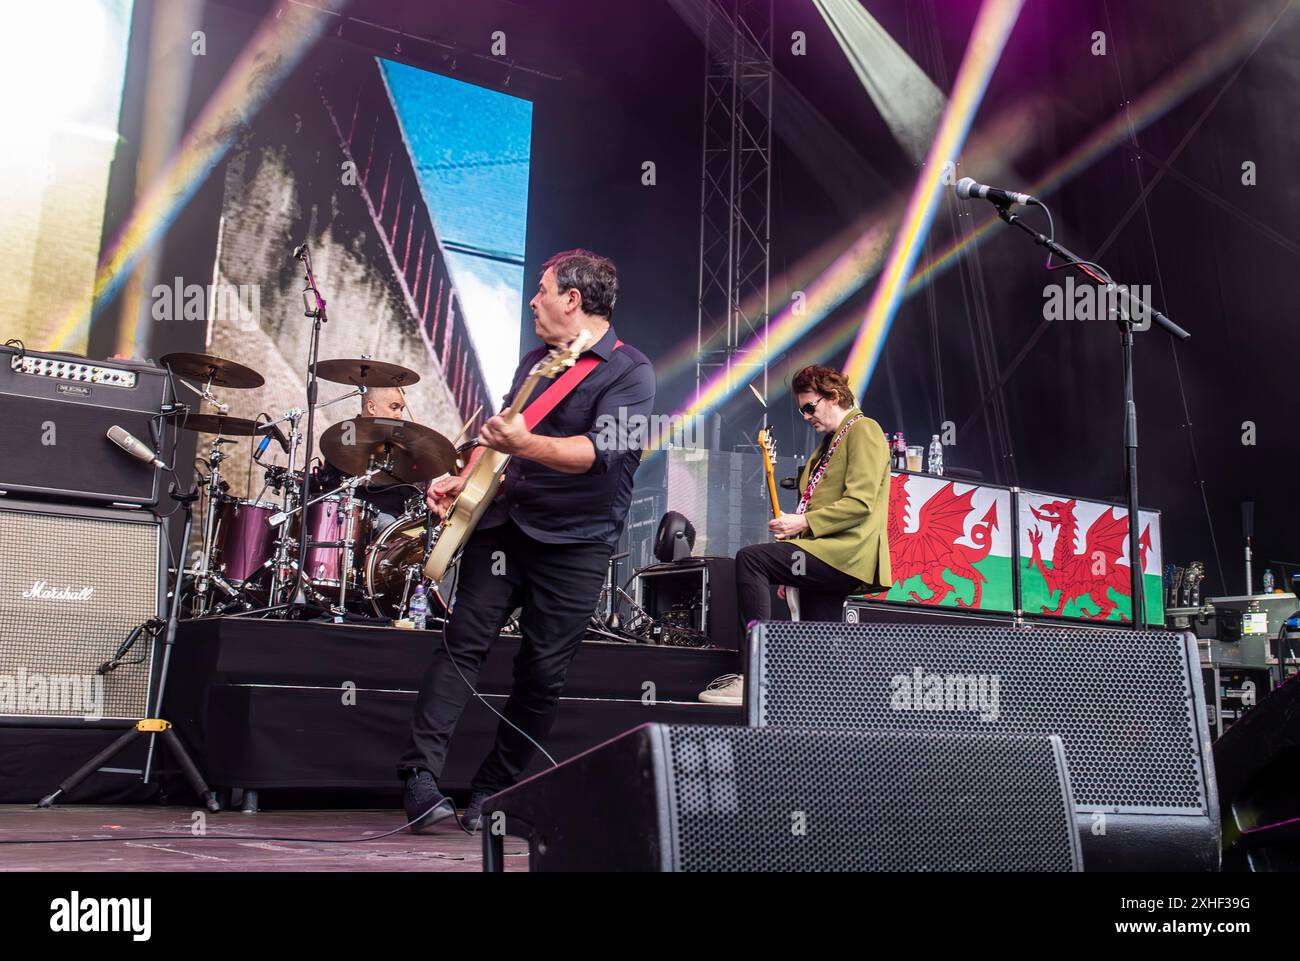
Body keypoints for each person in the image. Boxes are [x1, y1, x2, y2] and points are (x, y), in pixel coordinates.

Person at [398, 249, 655, 832]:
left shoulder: (633, 372)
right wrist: (463, 481)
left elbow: (600, 456)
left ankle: (495, 790)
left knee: (543, 672)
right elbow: (504, 428)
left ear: (573, 299)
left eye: (542, 290)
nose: (532, 300)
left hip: (576, 542)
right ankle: (419, 778)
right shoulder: (536, 362)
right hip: (506, 528)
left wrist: (521, 446)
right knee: (461, 643)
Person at [699, 364, 891, 705]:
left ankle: (754, 675)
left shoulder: (864, 430)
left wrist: (802, 524)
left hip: (845, 552)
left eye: (809, 407)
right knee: (820, 643)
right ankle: (831, 707)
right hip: (826, 552)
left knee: (752, 560)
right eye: (802, 410)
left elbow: (860, 503)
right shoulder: (831, 442)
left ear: (833, 397)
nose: (805, 416)